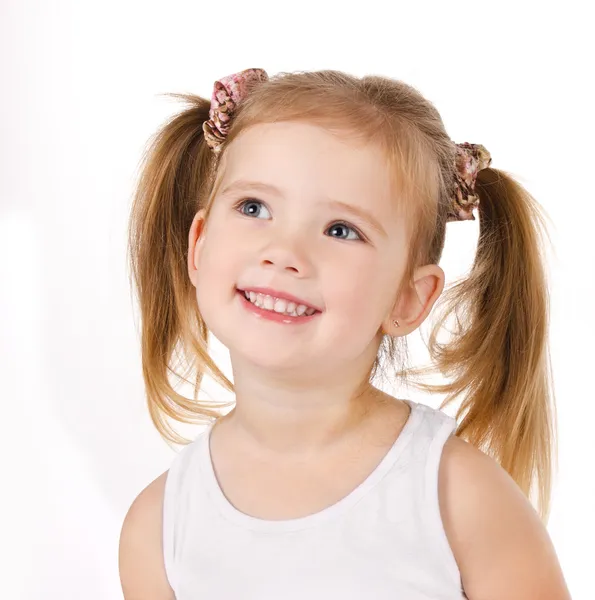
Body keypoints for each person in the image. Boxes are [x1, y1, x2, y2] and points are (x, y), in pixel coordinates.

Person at [118, 68, 571, 599]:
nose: (285, 252)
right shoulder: (159, 528)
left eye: (341, 230)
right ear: (199, 245)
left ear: (408, 298)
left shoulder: (457, 497)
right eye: (253, 207)